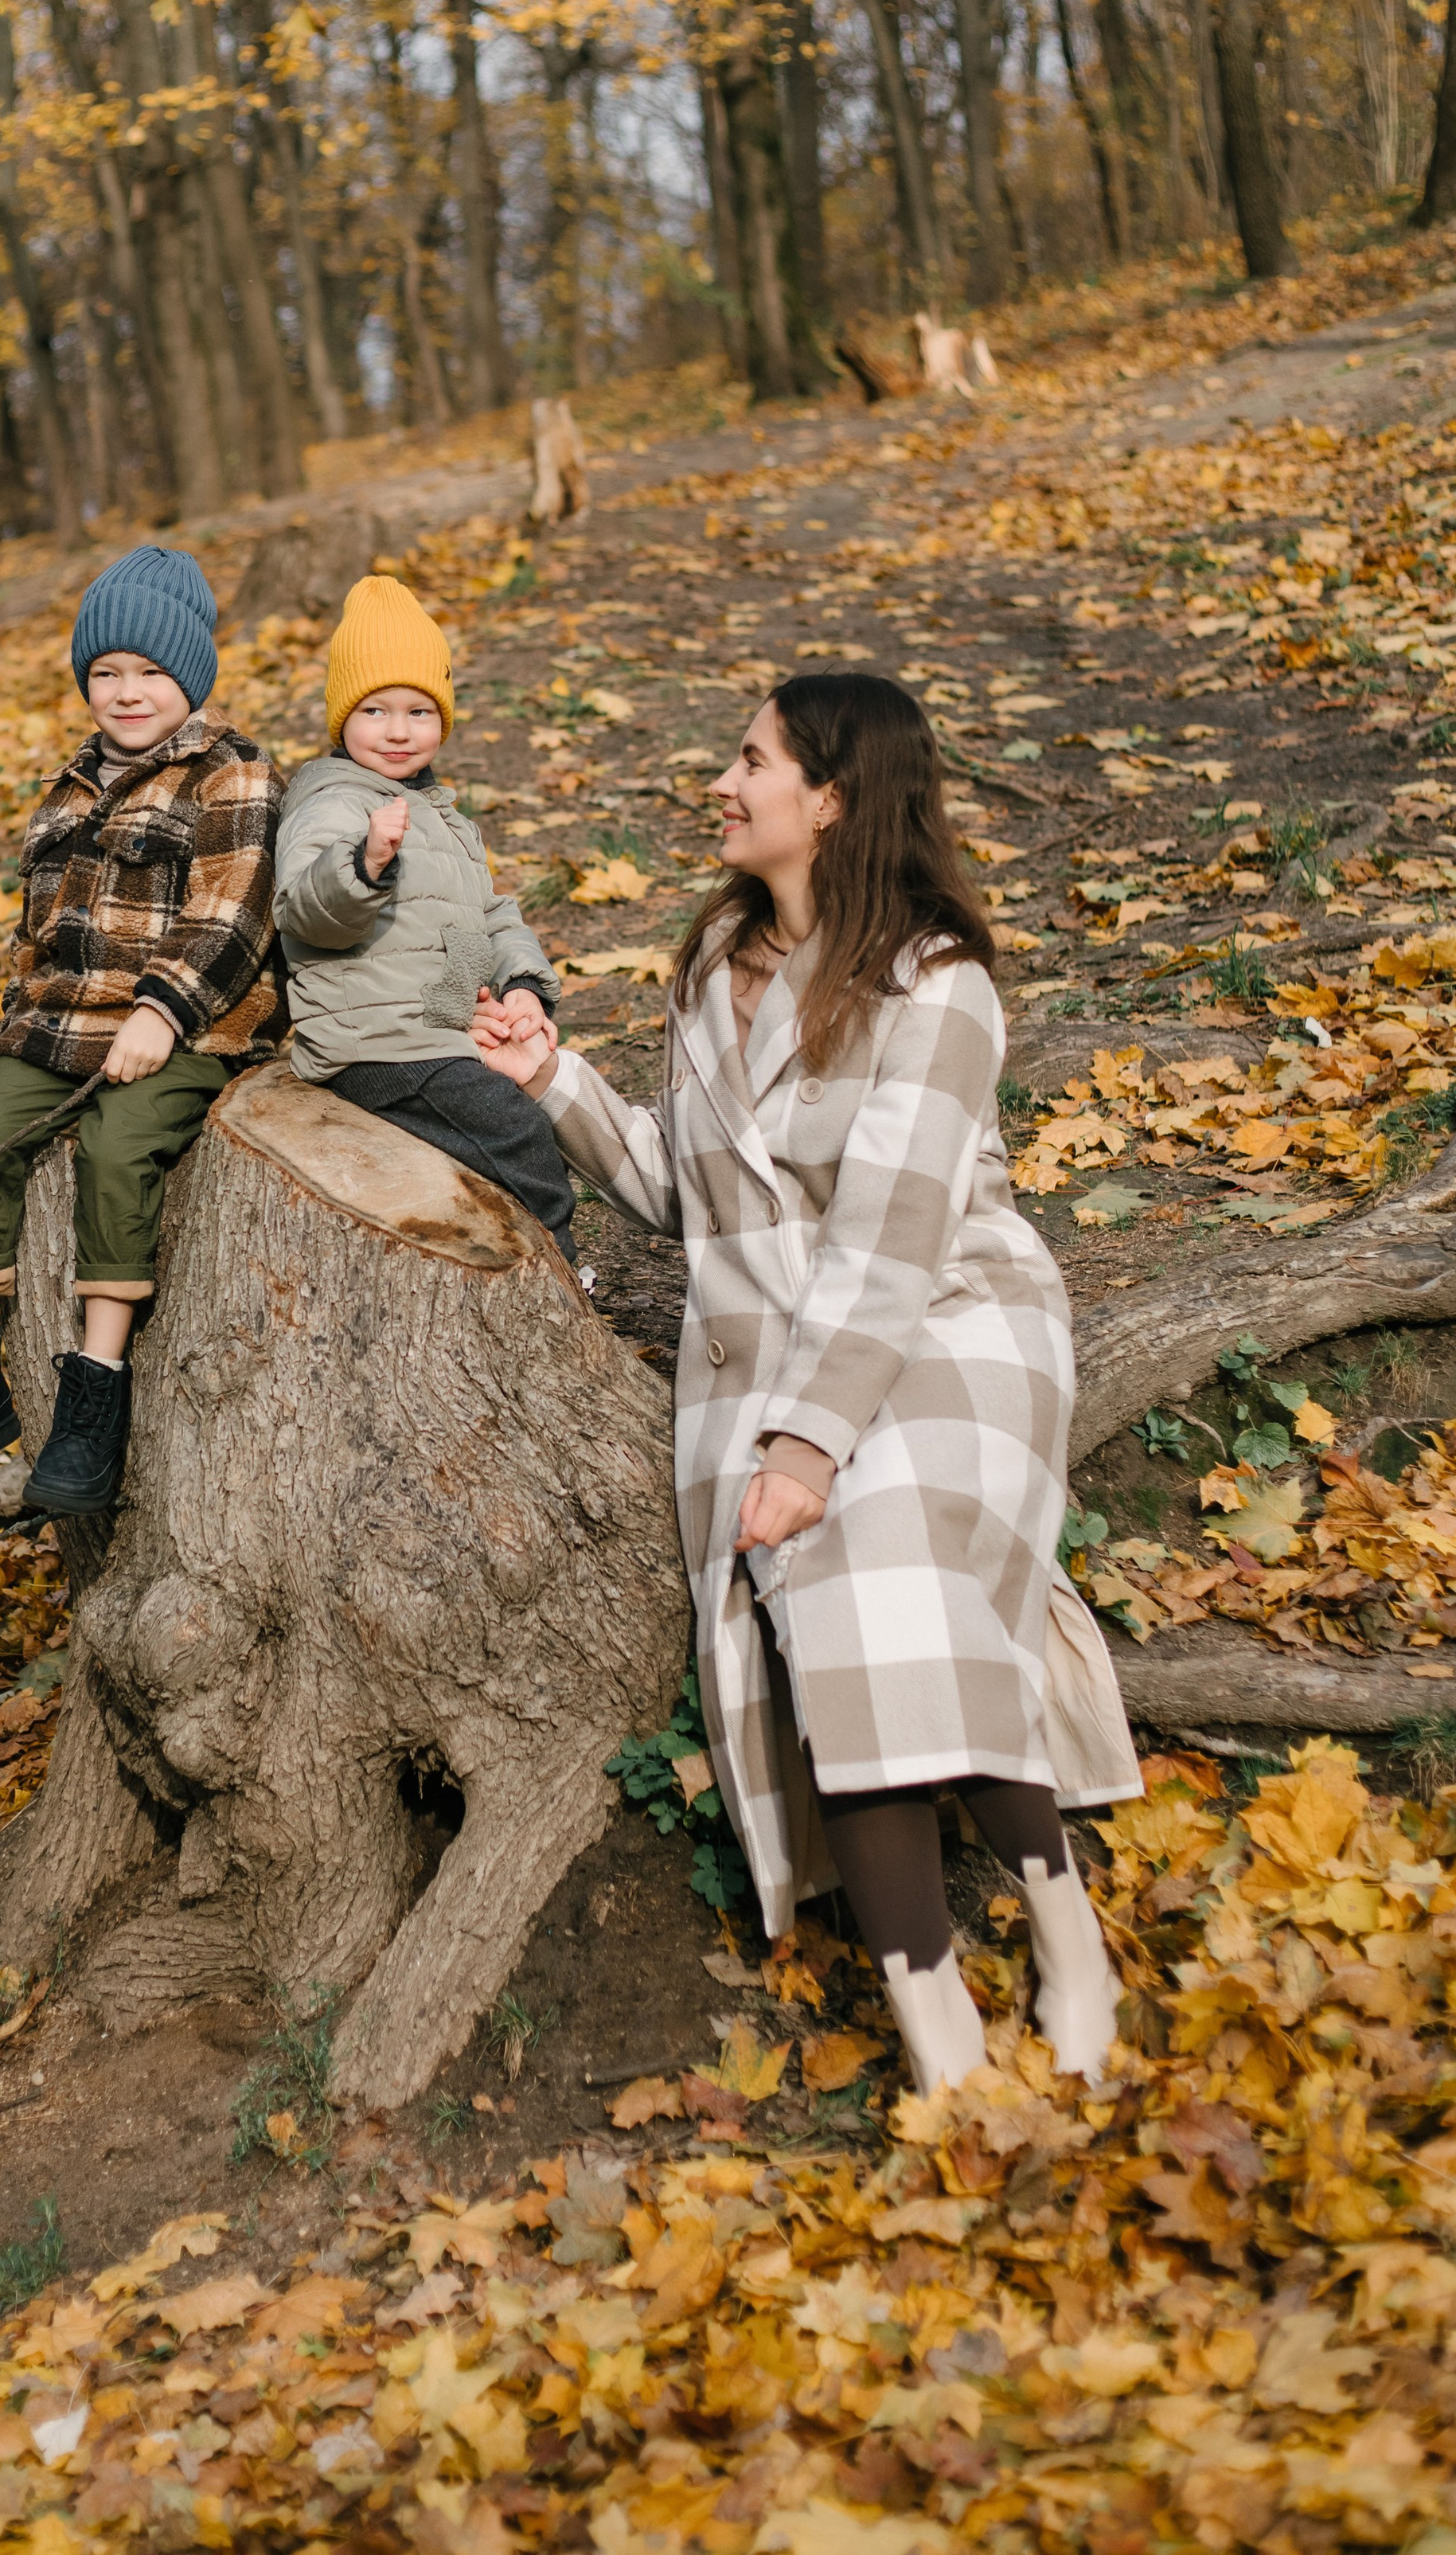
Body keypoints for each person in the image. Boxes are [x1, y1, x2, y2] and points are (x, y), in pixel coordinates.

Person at [474, 670, 1141, 2094]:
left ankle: (1071, 1939)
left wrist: (812, 1444)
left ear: (830, 799)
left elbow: (895, 1238)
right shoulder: (716, 969)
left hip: (953, 1327)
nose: (722, 782)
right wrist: (555, 1084)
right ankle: (943, 2041)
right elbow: (688, 1197)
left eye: (750, 759)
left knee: (882, 1570)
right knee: (851, 1627)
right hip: (771, 1351)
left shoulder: (936, 984)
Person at [0, 544, 283, 1512]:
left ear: (188, 677)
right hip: (64, 1026)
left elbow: (235, 915)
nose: (128, 692)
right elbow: (36, 943)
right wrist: (6, 1047)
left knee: (117, 1148)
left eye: (151, 673)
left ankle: (93, 1392)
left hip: (191, 1026)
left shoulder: (231, 775)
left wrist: (163, 1010)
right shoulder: (64, 792)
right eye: (107, 673)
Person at [275, 572, 577, 1259]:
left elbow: (491, 915)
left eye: (419, 711)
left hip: (435, 1028)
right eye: (375, 711)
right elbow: (303, 911)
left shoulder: (445, 817)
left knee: (530, 1104)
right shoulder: (335, 804)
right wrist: (362, 865)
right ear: (341, 718)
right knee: (515, 1132)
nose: (399, 731)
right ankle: (562, 1277)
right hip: (374, 1040)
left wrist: (522, 988)